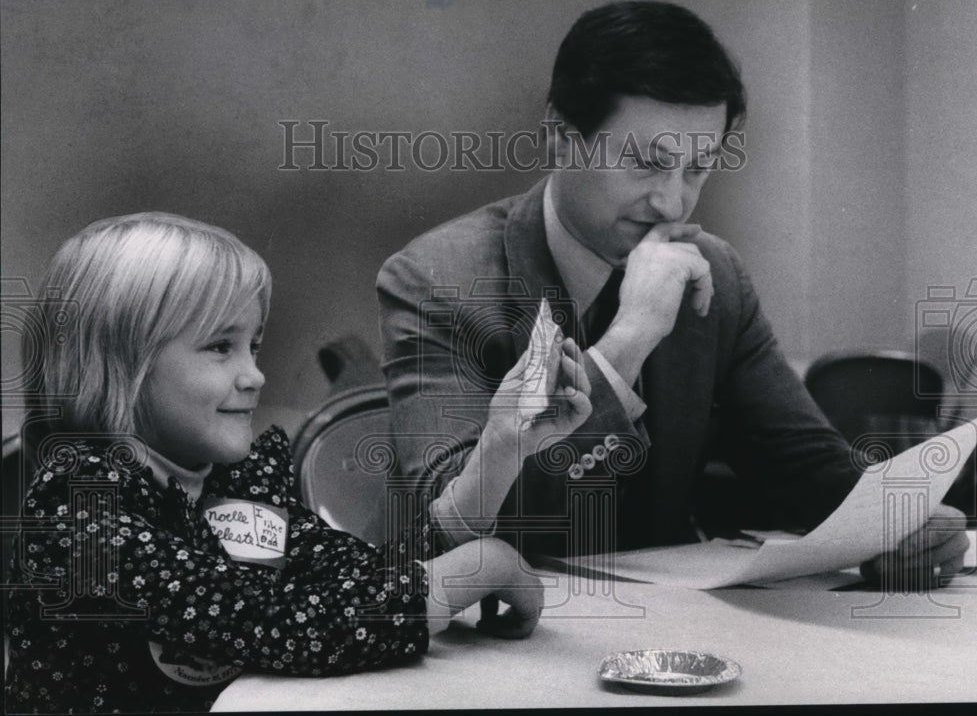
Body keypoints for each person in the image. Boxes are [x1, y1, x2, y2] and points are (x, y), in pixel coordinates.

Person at [376, 1, 968, 584]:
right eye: (644, 163)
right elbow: (455, 529)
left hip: (673, 632)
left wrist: (899, 523)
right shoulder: (437, 278)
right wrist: (630, 338)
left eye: (697, 169)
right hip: (495, 641)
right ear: (560, 137)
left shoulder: (716, 274)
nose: (672, 202)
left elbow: (809, 474)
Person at [3, 212, 563, 714]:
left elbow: (358, 577)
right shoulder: (79, 511)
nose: (255, 375)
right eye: (221, 347)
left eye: (256, 346)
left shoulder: (230, 480)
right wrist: (477, 568)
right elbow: (278, 622)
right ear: (121, 364)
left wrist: (501, 446)